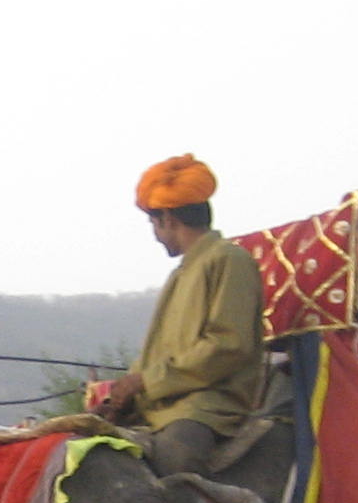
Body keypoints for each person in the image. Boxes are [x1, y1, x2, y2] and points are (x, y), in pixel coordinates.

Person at [98, 154, 267, 477]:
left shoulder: (229, 260)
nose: (155, 234)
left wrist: (145, 382)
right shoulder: (181, 273)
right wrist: (122, 395)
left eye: (153, 224)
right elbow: (156, 355)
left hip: (205, 407)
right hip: (160, 405)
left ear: (167, 219)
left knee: (175, 462)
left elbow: (228, 346)